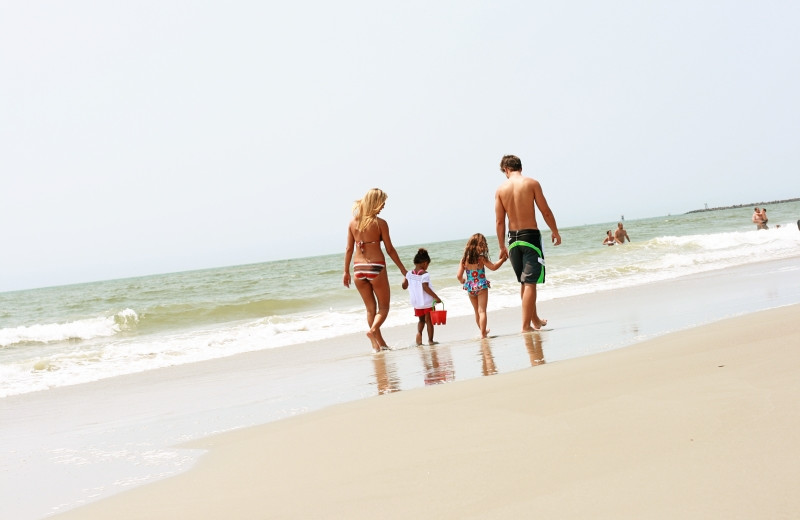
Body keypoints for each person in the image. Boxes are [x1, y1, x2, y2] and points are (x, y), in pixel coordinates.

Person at [495, 154, 561, 332]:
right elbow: (545, 211)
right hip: (530, 237)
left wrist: (502, 246)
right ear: (520, 167)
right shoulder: (532, 183)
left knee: (524, 283)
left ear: (506, 169)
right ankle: (526, 327)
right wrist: (555, 231)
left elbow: (500, 221)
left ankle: (536, 321)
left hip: (512, 240)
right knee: (530, 283)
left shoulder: (501, 190)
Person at [343, 188, 409, 352]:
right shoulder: (380, 223)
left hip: (358, 269)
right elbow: (390, 249)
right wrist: (403, 270)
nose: (383, 207)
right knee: (384, 308)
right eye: (382, 203)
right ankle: (372, 332)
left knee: (370, 309)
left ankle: (379, 345)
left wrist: (346, 271)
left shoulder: (352, 223)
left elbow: (348, 249)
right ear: (375, 203)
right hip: (376, 267)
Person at [456, 233, 506, 338]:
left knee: (477, 312)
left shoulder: (464, 260)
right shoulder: (481, 259)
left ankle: (483, 331)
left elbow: (459, 276)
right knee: (482, 311)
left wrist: (462, 281)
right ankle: (483, 333)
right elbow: (493, 267)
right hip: (481, 286)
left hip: (470, 287)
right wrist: (503, 260)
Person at [405, 248, 442, 346]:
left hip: (417, 303)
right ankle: (430, 340)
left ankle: (419, 335)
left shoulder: (409, 274)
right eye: (428, 264)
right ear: (425, 263)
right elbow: (425, 287)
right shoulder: (425, 274)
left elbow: (404, 286)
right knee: (429, 321)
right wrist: (436, 297)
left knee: (421, 321)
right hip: (427, 302)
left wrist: (407, 278)